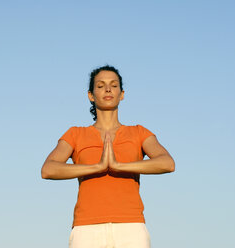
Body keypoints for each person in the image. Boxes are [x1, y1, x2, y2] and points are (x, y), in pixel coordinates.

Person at [41, 65, 175, 248]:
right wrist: (98, 167)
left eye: (113, 85)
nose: (107, 89)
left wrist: (118, 166)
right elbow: (48, 169)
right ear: (91, 95)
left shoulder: (138, 132)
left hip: (131, 226)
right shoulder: (75, 134)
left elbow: (167, 163)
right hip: (86, 228)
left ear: (122, 94)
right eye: (100, 85)